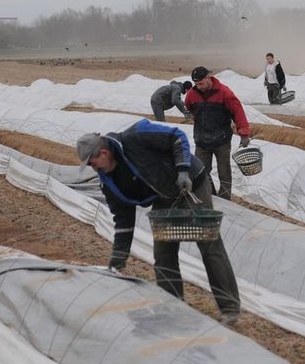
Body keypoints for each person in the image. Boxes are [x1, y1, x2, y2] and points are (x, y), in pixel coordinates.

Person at [76, 120, 241, 324]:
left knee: (208, 241)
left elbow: (177, 137)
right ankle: (173, 305)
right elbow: (123, 218)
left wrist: (182, 170)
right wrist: (119, 255)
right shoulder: (109, 181)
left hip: (191, 184)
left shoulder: (136, 135)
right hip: (164, 195)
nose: (94, 169)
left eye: (92, 163)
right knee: (163, 250)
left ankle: (229, 308)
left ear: (103, 153)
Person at [184, 66, 251, 200]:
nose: (199, 87)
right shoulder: (191, 94)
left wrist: (244, 133)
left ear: (208, 77)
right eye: (196, 84)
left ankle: (225, 200)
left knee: (224, 173)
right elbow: (189, 107)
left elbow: (237, 112)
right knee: (201, 172)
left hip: (222, 140)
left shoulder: (224, 92)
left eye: (201, 83)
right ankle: (212, 197)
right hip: (202, 140)